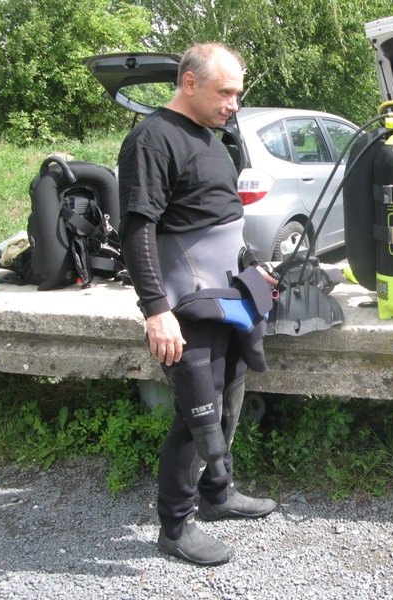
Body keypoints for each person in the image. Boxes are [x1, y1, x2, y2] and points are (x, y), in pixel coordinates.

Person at [118, 42, 276, 566]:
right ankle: (175, 526)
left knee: (229, 397)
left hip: (227, 293)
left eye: (237, 92)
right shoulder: (152, 138)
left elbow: (215, 214)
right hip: (186, 301)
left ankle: (217, 493)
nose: (234, 103)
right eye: (224, 91)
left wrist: (254, 266)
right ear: (189, 83)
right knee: (197, 414)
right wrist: (155, 310)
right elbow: (137, 229)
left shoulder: (210, 135)